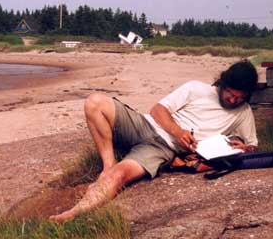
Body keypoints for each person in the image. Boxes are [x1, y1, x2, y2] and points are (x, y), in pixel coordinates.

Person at [50, 60, 258, 223]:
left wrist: (244, 148)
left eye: (239, 98)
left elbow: (252, 146)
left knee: (120, 175)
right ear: (222, 84)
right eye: (230, 94)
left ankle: (72, 214)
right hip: (143, 125)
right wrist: (178, 131)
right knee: (95, 101)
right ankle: (108, 164)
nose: (232, 100)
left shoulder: (243, 112)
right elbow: (157, 110)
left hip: (161, 149)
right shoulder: (195, 88)